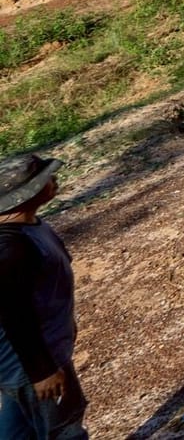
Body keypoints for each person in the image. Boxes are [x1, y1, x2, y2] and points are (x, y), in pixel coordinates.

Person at [0, 154, 85, 440]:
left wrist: (66, 323)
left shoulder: (31, 227)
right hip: (30, 363)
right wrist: (42, 371)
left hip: (38, 353)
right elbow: (14, 315)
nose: (54, 180)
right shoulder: (11, 249)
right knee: (65, 429)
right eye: (45, 178)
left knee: (19, 429)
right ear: (26, 193)